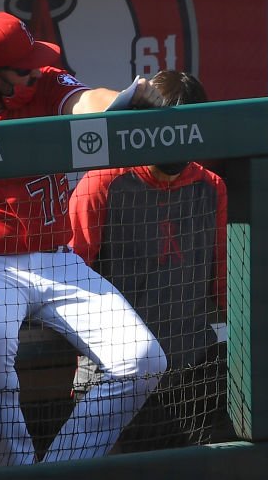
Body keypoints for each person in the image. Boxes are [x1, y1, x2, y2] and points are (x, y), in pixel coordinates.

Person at [0, 11, 168, 466]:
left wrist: (123, 101)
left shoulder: (43, 83)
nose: (36, 69)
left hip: (56, 258)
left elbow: (86, 100)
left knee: (142, 360)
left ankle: (62, 475)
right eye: (22, 66)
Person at [67, 71, 230, 450]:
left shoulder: (211, 187)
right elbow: (70, 280)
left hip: (192, 368)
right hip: (115, 371)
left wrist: (267, 353)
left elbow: (226, 283)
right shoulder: (101, 184)